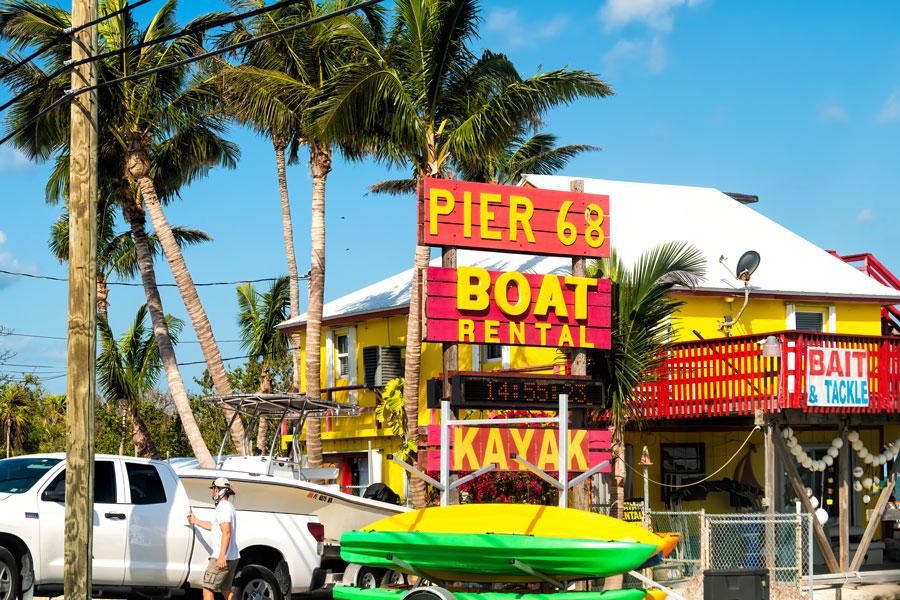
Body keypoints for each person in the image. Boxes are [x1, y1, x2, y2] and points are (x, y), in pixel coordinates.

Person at [187, 477, 240, 600]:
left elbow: (226, 532)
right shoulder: (229, 507)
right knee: (226, 590)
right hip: (232, 556)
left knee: (207, 589)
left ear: (217, 490)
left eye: (213, 489)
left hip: (221, 557)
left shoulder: (223, 507)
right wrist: (194, 521)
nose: (212, 492)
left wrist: (221, 556)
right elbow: (214, 526)